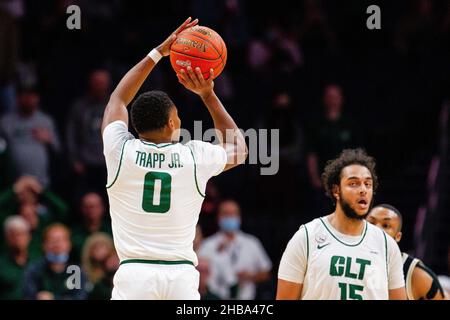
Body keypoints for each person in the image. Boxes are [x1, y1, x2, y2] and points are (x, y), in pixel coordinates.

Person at [101, 17, 247, 300]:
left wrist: (157, 53)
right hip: (180, 276)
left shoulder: (119, 152)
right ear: (171, 123)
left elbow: (117, 101)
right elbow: (239, 149)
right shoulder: (193, 155)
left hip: (135, 276)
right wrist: (208, 95)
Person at [277, 148, 406, 300]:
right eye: (354, 184)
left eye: (367, 184)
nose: (363, 190)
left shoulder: (386, 245)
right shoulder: (307, 236)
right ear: (336, 190)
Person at [367, 204, 446, 300]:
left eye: (386, 225)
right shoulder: (349, 257)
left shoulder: (414, 274)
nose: (377, 229)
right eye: (371, 223)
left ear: (397, 237)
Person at [199, 200, 272, 300]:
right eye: (226, 213)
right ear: (218, 217)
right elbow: (197, 273)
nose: (230, 217)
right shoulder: (207, 245)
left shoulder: (252, 243)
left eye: (233, 213)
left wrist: (250, 276)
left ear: (239, 217)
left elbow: (266, 272)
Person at [0, 87, 61, 187]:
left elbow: (58, 149)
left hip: (42, 182)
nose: (29, 99)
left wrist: (49, 141)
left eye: (32, 95)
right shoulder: (5, 122)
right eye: (25, 95)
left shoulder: (46, 121)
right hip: (13, 183)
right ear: (17, 98)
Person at [22, 223, 87, 300]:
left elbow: (79, 297)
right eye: (52, 240)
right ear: (44, 245)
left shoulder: (76, 271)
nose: (57, 244)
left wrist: (53, 298)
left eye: (61, 240)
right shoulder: (34, 270)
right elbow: (28, 295)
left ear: (69, 244)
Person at [0, 216, 37, 299]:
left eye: (21, 234)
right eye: (13, 235)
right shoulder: (1, 265)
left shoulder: (38, 262)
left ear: (29, 236)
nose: (18, 238)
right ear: (6, 238)